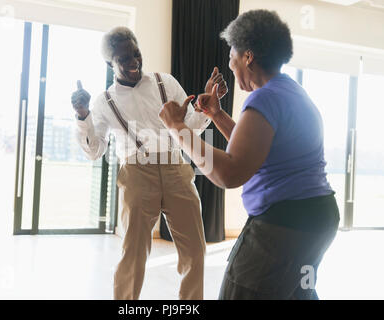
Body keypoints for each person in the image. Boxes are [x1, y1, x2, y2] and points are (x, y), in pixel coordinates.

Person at [159, 9, 339, 300]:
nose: (229, 64)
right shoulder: (290, 91)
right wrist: (216, 114)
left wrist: (177, 127)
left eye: (232, 55)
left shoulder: (265, 97)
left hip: (282, 225)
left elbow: (230, 173)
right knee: (295, 293)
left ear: (248, 56)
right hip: (315, 220)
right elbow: (255, 151)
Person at [71, 26, 228, 300]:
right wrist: (82, 115)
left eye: (135, 54)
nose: (133, 62)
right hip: (136, 174)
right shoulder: (104, 101)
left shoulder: (164, 82)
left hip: (175, 168)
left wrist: (205, 106)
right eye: (123, 59)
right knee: (133, 255)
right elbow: (95, 150)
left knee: (195, 250)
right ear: (110, 63)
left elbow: (189, 127)